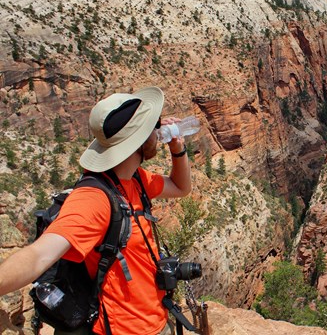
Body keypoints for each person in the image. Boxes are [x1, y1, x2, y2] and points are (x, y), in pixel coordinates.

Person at [0, 87, 192, 335]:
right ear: (140, 139)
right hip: (123, 329)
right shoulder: (94, 198)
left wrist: (178, 148)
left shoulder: (135, 179)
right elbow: (39, 256)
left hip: (153, 319)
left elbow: (180, 187)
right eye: (153, 125)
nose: (159, 130)